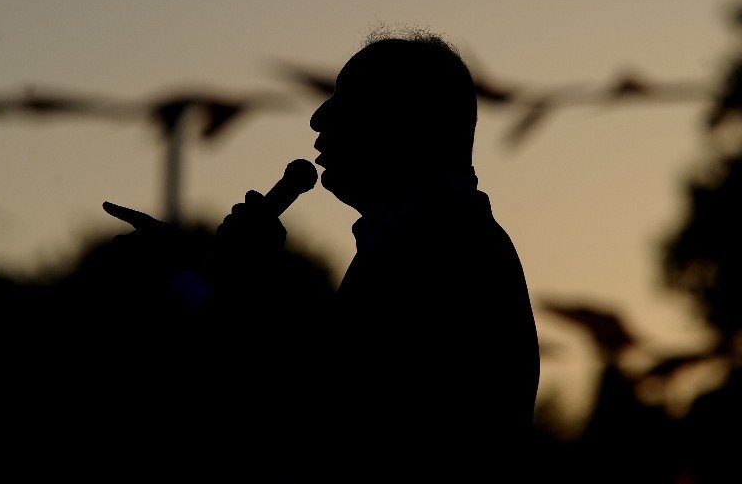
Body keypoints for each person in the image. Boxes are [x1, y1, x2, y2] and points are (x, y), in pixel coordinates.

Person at [106, 34, 540, 477]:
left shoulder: (442, 256)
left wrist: (233, 281)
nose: (318, 119)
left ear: (404, 121)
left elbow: (306, 404)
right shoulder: (434, 244)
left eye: (346, 100)